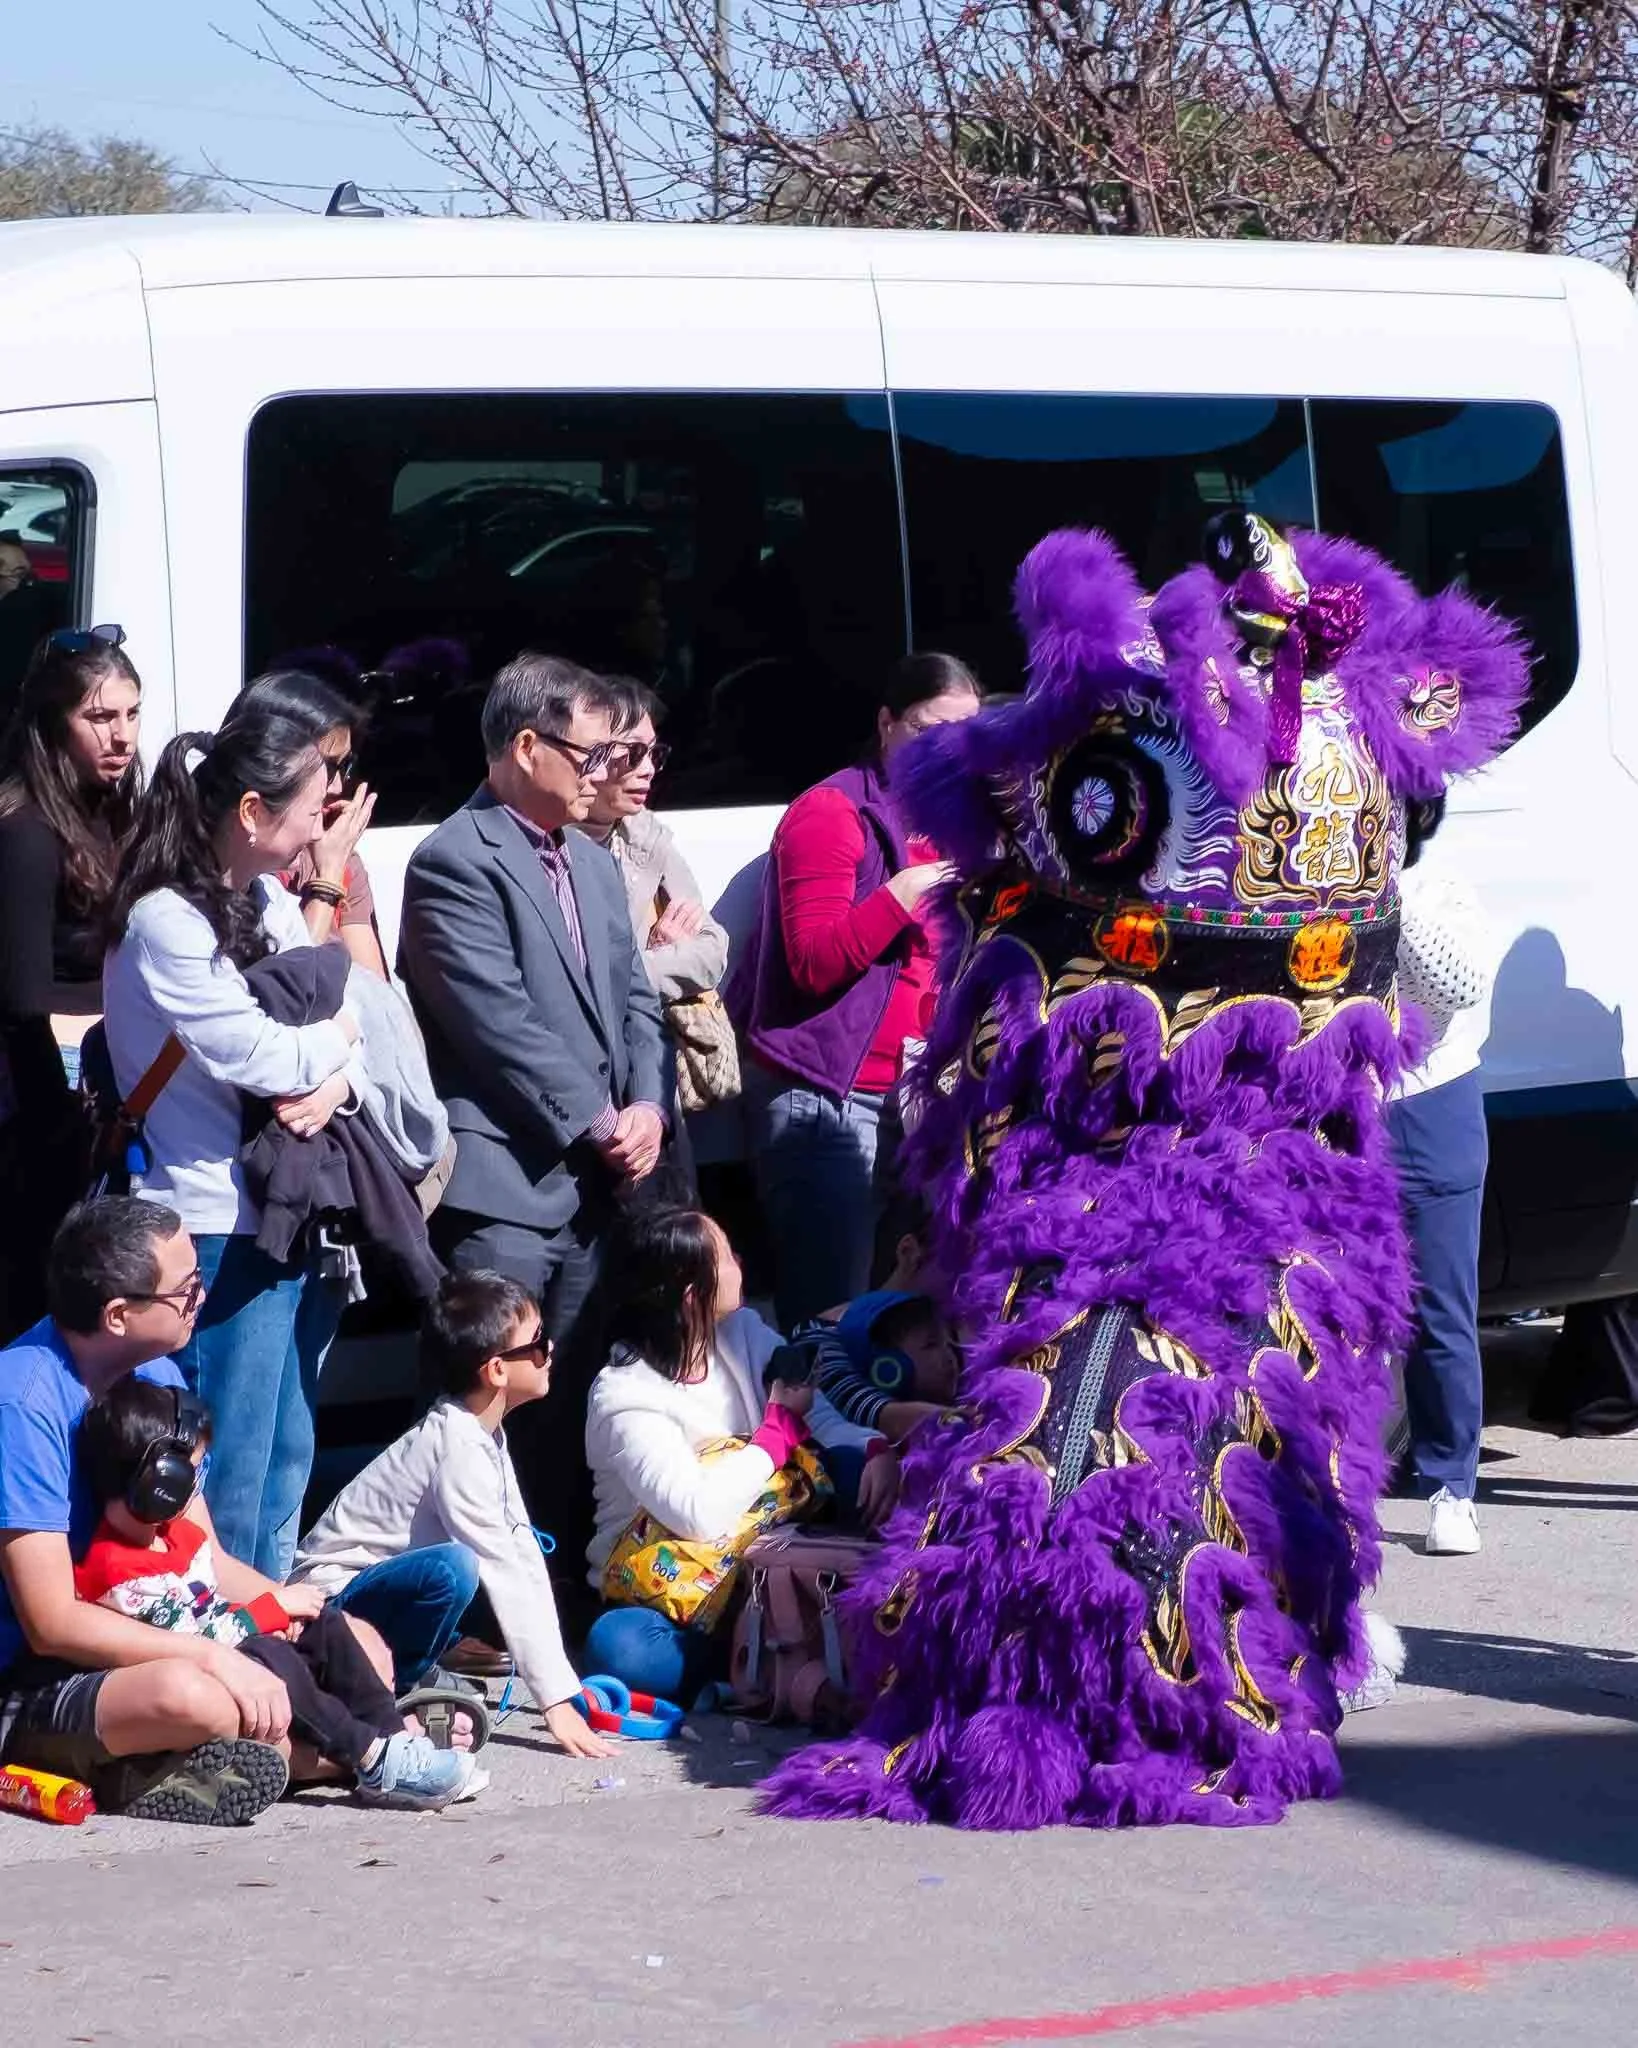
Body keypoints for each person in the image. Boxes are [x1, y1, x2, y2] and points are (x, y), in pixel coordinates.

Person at [398, 654, 668, 1561]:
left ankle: (557, 1592)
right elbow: (497, 1023)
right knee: (478, 1415)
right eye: (591, 755)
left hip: (596, 1191)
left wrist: (649, 1107)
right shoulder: (452, 860)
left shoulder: (592, 862)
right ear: (526, 746)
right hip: (505, 1187)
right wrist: (602, 1120)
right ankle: (466, 1600)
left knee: (570, 1403)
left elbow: (636, 1002)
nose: (604, 773)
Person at [103, 690, 363, 1577]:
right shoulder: (164, 920)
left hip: (284, 1207)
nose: (322, 826)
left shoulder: (262, 900)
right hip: (210, 1222)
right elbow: (258, 1051)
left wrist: (334, 1077)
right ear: (253, 811)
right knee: (233, 1467)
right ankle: (230, 1641)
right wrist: (338, 1045)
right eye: (312, 805)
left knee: (288, 1451)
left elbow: (337, 1003)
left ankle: (272, 1627)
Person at [0, 1199, 292, 1825]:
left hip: (148, 1632)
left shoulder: (155, 1376)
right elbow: (51, 1622)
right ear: (118, 1315)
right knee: (197, 1697)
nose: (201, 1297)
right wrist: (213, 1656)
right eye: (185, 1289)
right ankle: (154, 1763)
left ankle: (195, 1760)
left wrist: (296, 1617)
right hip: (29, 1680)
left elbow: (204, 1559)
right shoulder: (21, 1404)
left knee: (339, 1650)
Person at [74, 1377, 483, 1810]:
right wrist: (267, 1613)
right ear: (162, 1485)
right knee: (273, 1656)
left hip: (226, 1644)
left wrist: (279, 1618)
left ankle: (394, 1738)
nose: (196, 1488)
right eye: (192, 1475)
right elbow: (192, 1640)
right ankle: (371, 1757)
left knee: (323, 1625)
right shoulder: (120, 1575)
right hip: (194, 1667)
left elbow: (211, 1604)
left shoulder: (173, 1535)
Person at [728, 652, 982, 1327]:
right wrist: (902, 892)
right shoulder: (832, 811)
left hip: (921, 1096)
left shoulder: (962, 817)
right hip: (830, 1099)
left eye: (965, 733)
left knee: (902, 1317)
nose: (948, 750)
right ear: (886, 723)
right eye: (928, 731)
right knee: (830, 1318)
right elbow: (814, 963)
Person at [291, 1271, 615, 1760]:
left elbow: (522, 1550)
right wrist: (555, 1703)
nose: (549, 1350)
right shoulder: (458, 1447)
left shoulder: (479, 1433)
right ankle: (395, 1686)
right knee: (453, 1569)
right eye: (536, 1343)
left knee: (459, 1567)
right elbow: (504, 1570)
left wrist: (563, 1686)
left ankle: (404, 1676)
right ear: (497, 1371)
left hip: (361, 1597)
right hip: (332, 1606)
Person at [582, 1205, 821, 1703]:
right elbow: (696, 1514)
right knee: (620, 1648)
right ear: (692, 1294)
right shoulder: (625, 1394)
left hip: (760, 1562)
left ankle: (758, 1663)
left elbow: (817, 1410)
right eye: (727, 1256)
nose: (740, 1262)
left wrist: (875, 1450)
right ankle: (755, 1665)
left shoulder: (743, 1332)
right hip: (670, 1596)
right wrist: (775, 1433)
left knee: (862, 1475)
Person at [0, 626, 143, 1339]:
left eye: (132, 713)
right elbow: (22, 1005)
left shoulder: (119, 813)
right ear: (56, 723)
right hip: (44, 1104)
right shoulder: (26, 832)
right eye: (100, 717)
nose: (122, 736)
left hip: (106, 1089)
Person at [1387, 797, 1497, 1556]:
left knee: (1439, 1315)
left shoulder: (1441, 891)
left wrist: (1384, 887)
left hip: (1429, 1110)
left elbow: (1449, 987)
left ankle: (1451, 1488)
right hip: (1331, 1109)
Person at [575, 675, 731, 1178]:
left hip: (650, 1072)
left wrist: (635, 964)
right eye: (632, 754)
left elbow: (712, 949)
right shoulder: (552, 843)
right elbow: (570, 975)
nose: (648, 770)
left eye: (654, 754)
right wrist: (655, 954)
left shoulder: (646, 838)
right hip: (582, 1083)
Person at [235, 669, 388, 979]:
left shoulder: (334, 852)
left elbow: (374, 989)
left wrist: (334, 867)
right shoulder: (236, 867)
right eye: (326, 767)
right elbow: (290, 987)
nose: (336, 787)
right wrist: (327, 880)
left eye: (344, 766)